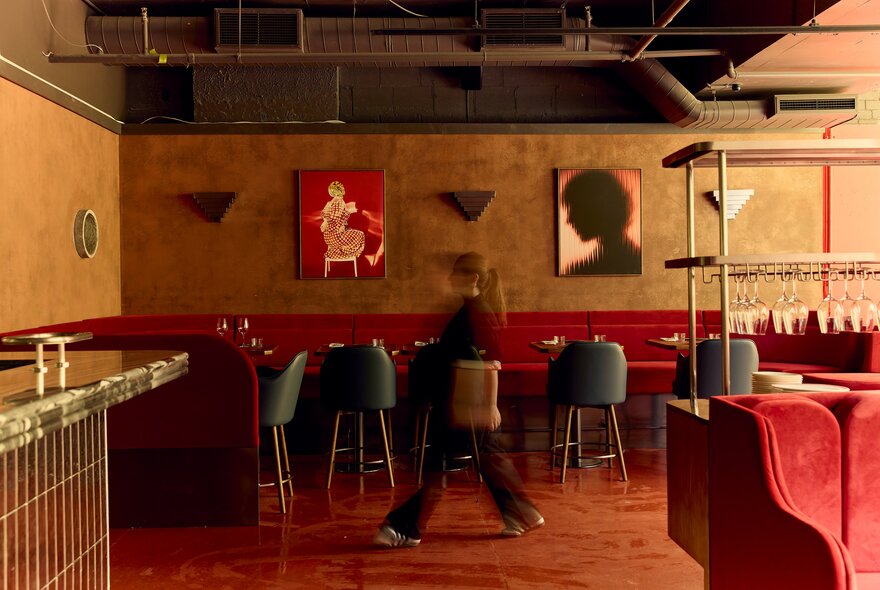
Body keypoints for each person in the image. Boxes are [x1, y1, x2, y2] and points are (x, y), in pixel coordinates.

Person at [373, 252, 543, 548]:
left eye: (456, 274)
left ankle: (405, 527)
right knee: (483, 459)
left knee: (441, 466)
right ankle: (521, 513)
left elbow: (492, 363)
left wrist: (489, 406)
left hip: (467, 403)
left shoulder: (479, 313)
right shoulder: (470, 311)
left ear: (473, 278)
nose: (450, 279)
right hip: (459, 401)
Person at [561, 169, 640, 275]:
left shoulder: (584, 270)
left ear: (597, 209)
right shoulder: (638, 261)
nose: (569, 220)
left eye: (575, 210)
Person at [321, 180, 365, 261]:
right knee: (360, 235)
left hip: (329, 236)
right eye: (342, 189)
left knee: (355, 233)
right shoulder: (339, 202)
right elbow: (334, 217)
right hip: (335, 236)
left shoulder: (331, 202)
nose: (343, 190)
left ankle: (340, 251)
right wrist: (328, 222)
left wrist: (341, 224)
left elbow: (326, 214)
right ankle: (340, 251)